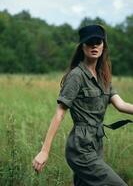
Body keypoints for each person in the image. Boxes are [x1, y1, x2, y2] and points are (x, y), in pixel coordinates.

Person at [32, 25, 133, 186]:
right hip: (80, 148)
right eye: (89, 42)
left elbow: (122, 105)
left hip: (96, 143)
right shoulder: (76, 76)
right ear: (82, 46)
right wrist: (44, 151)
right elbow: (59, 114)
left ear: (103, 46)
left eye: (98, 42)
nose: (94, 46)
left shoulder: (103, 77)